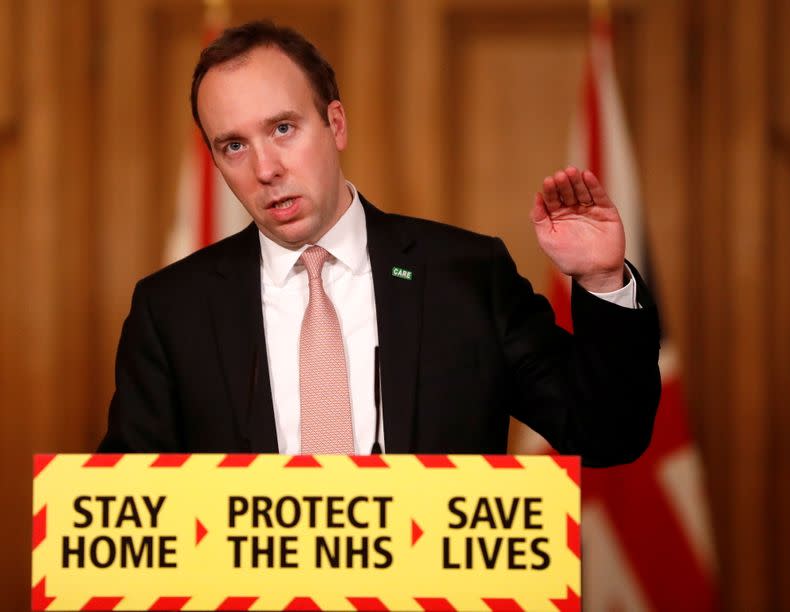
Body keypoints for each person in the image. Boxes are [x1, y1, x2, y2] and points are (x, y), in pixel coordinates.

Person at [98, 20, 661, 467]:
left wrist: (602, 281)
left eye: (283, 129)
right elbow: (130, 509)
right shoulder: (172, 309)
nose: (266, 168)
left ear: (335, 124)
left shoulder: (465, 276)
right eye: (234, 146)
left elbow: (607, 436)